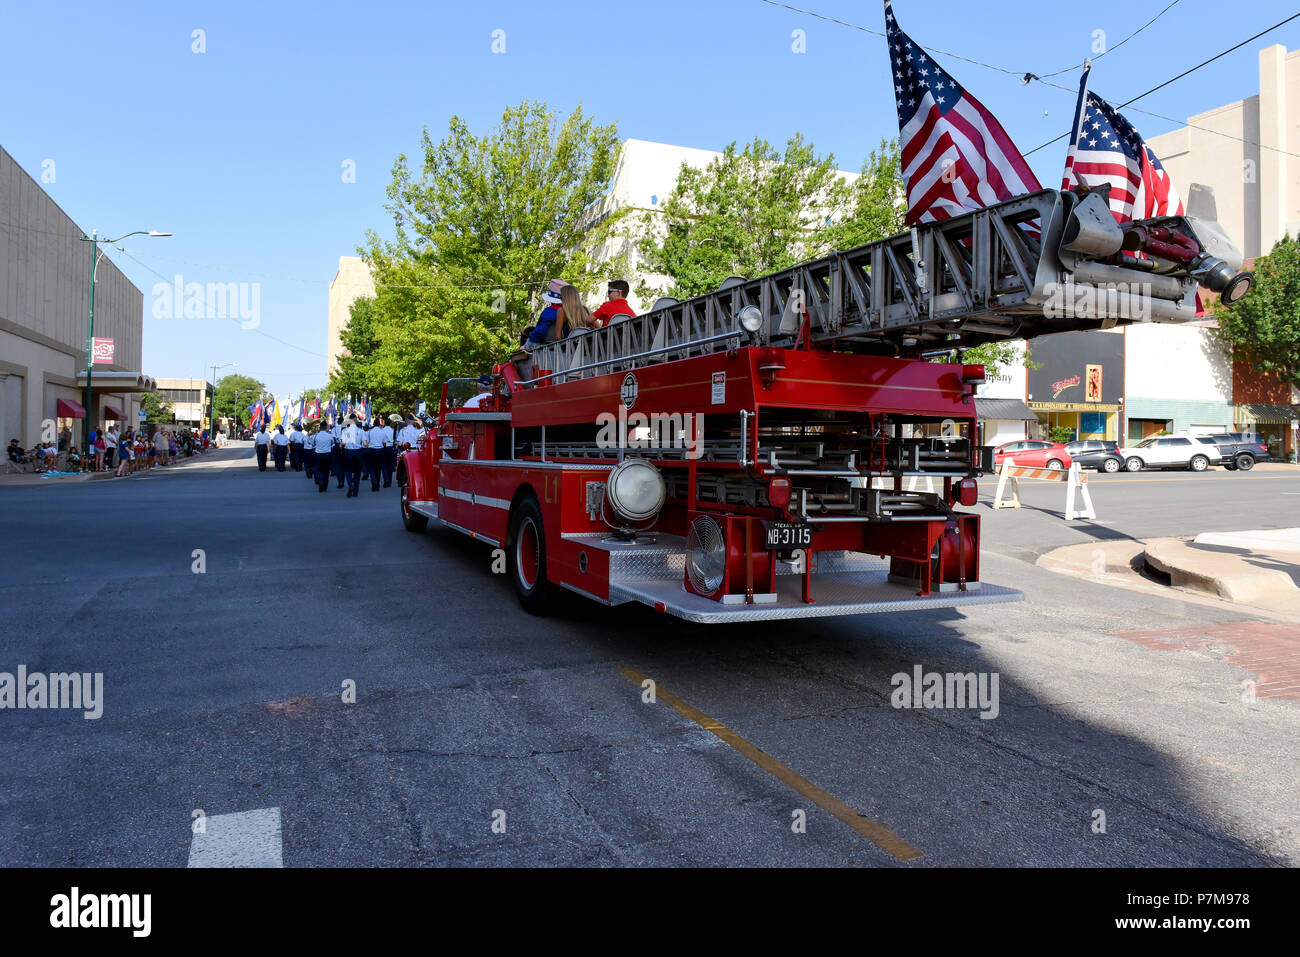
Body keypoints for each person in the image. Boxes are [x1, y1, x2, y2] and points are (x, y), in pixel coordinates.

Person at [523, 279, 568, 350]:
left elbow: (540, 332)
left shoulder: (548, 312)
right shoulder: (571, 311)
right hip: (565, 345)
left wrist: (530, 339)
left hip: (545, 346)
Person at [340, 414, 364, 497]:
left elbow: (343, 443)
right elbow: (364, 443)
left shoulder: (345, 430)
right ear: (356, 420)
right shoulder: (360, 430)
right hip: (358, 452)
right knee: (357, 472)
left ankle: (350, 485)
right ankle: (355, 491)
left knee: (348, 471)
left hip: (348, 452)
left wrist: (341, 445)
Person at [310, 423, 336, 492]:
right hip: (327, 454)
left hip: (318, 454)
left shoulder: (316, 436)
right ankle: (325, 485)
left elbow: (312, 444)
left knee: (319, 470)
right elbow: (332, 443)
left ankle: (320, 482)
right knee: (326, 471)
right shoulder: (329, 436)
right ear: (326, 428)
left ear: (320, 428)